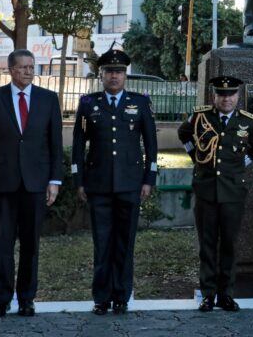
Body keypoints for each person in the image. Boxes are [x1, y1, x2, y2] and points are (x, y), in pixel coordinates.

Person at [0, 49, 63, 318]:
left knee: (30, 244)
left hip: (36, 184)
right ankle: (1, 299)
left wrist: (55, 180)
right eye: (23, 67)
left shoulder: (49, 99)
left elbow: (55, 144)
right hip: (3, 184)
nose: (28, 71)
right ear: (11, 70)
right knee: (3, 244)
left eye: (31, 67)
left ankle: (27, 299)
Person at [71, 48, 158, 315]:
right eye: (109, 71)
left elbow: (151, 145)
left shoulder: (140, 103)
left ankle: (121, 295)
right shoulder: (88, 104)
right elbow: (77, 145)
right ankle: (101, 297)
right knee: (102, 242)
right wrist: (79, 180)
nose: (114, 76)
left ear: (125, 76)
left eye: (119, 72)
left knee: (124, 243)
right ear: (100, 75)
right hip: (98, 186)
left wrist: (148, 179)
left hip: (130, 185)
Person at [178, 76, 253, 312]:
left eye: (231, 95)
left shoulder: (248, 122)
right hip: (206, 189)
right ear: (214, 97)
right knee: (207, 245)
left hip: (233, 192)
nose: (226, 99)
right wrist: (196, 156)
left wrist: (239, 165)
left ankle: (226, 294)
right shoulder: (200, 117)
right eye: (222, 95)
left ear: (237, 97)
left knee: (229, 244)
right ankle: (207, 295)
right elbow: (183, 133)